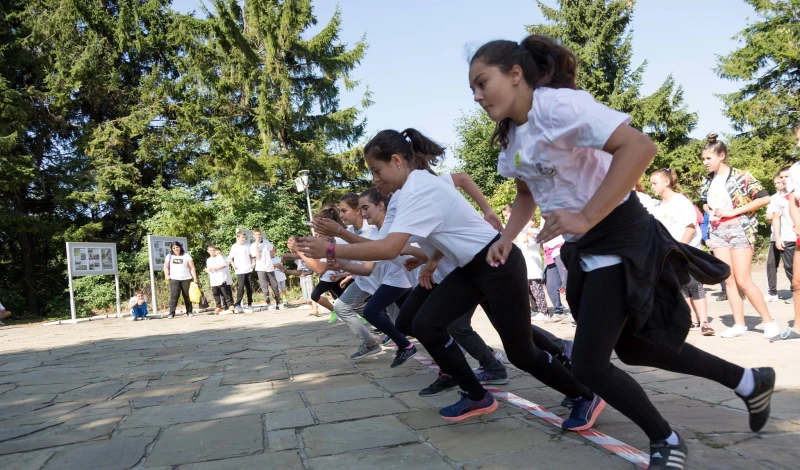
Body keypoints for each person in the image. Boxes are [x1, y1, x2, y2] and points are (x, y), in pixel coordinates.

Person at [468, 35, 775, 467]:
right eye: (472, 90)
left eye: (483, 83)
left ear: (516, 74)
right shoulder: (513, 138)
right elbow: (525, 192)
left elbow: (640, 147)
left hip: (620, 234)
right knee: (633, 348)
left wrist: (586, 216)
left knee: (590, 365)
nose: (478, 96)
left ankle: (666, 440)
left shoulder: (557, 106)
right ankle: (748, 380)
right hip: (585, 246)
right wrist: (506, 236)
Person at [298, 128, 604, 429]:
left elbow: (390, 247)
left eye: (377, 171)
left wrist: (330, 245)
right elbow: (418, 240)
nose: (375, 181)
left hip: (497, 262)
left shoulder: (419, 189)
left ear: (396, 161)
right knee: (423, 323)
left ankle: (584, 394)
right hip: (470, 269)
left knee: (520, 351)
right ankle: (476, 394)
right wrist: (430, 261)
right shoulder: (406, 193)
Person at [701, 134, 778, 339]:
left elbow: (764, 198)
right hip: (717, 231)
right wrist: (710, 212)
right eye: (703, 159)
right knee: (728, 279)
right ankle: (739, 324)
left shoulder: (742, 176)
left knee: (744, 280)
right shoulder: (707, 180)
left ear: (721, 156)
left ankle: (769, 322)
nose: (705, 163)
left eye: (708, 158)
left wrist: (733, 212)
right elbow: (704, 202)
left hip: (739, 228)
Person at [650, 169, 714, 336]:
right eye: (650, 184)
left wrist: (678, 249)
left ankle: (705, 322)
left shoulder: (681, 201)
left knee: (694, 285)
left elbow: (690, 228)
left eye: (654, 183)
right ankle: (691, 319)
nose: (651, 187)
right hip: (669, 254)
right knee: (680, 286)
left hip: (687, 251)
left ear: (666, 182)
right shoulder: (658, 206)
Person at [773, 125, 800, 342]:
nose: (798, 144)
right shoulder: (795, 170)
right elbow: (793, 202)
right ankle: (798, 327)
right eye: (797, 139)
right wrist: (797, 223)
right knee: (797, 280)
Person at [764, 168, 794, 304]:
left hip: (793, 235)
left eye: (785, 177)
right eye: (780, 178)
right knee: (786, 266)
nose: (782, 181)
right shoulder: (776, 198)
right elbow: (774, 217)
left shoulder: (796, 193)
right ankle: (774, 292)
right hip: (784, 236)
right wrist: (777, 238)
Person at [283, 236, 320, 316]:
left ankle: (315, 308)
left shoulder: (303, 251)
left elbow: (304, 267)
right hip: (302, 276)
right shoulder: (296, 254)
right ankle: (311, 309)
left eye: (291, 241)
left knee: (311, 292)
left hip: (307, 274)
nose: (289, 243)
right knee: (306, 293)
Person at [164, 241, 198, 319]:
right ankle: (171, 313)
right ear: (172, 249)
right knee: (174, 296)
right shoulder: (169, 256)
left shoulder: (186, 255)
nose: (176, 249)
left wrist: (195, 278)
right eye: (174, 248)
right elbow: (166, 266)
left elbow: (192, 267)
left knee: (187, 296)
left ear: (180, 247)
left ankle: (189, 311)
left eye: (177, 247)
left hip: (186, 278)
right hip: (174, 279)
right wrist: (166, 275)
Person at [252, 229, 281, 310]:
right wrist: (256, 246)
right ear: (254, 236)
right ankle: (268, 303)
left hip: (269, 267)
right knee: (264, 287)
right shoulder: (253, 245)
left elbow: (273, 247)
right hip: (261, 269)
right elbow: (258, 257)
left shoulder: (266, 242)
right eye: (256, 235)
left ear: (261, 235)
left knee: (274, 285)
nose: (258, 236)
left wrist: (271, 255)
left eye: (259, 234)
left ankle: (278, 302)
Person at [229, 230, 255, 313]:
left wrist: (253, 262)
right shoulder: (234, 246)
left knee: (249, 287)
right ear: (238, 237)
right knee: (241, 288)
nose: (243, 239)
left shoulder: (247, 245)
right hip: (239, 270)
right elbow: (230, 258)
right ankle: (238, 304)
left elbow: (251, 255)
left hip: (248, 268)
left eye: (244, 237)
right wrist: (233, 265)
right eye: (242, 238)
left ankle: (250, 303)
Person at [206, 244, 234, 314]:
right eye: (211, 250)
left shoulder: (219, 257)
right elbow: (208, 268)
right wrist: (208, 270)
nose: (212, 252)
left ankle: (230, 305)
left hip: (221, 278)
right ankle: (218, 306)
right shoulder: (208, 260)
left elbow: (224, 265)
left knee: (225, 293)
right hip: (213, 279)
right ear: (208, 251)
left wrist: (216, 268)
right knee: (216, 294)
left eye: (213, 250)